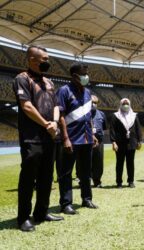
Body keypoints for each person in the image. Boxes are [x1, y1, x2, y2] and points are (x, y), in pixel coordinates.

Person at [12, 45, 63, 232]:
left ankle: (42, 212)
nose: (47, 62)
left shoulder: (50, 82)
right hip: (31, 137)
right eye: (44, 59)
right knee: (28, 178)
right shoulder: (21, 79)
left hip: (50, 136)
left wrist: (55, 123)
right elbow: (26, 106)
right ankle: (23, 218)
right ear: (32, 59)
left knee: (46, 177)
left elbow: (57, 105)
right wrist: (46, 124)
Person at [56, 62, 98, 215]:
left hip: (86, 138)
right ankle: (66, 203)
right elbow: (60, 116)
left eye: (87, 73)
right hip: (71, 139)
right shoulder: (64, 91)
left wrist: (92, 134)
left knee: (86, 172)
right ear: (74, 76)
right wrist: (65, 138)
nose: (87, 76)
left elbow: (89, 116)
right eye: (84, 73)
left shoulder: (87, 92)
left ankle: (86, 199)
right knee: (66, 173)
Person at [110, 98, 142, 188]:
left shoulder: (134, 115)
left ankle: (131, 181)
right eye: (124, 103)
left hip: (132, 142)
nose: (125, 105)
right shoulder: (115, 116)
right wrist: (113, 142)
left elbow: (138, 129)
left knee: (130, 163)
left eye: (127, 103)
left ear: (130, 104)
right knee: (119, 163)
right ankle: (119, 182)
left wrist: (139, 141)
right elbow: (112, 129)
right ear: (120, 104)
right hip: (120, 143)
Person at [91, 95, 107, 188]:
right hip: (86, 140)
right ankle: (84, 181)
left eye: (95, 103)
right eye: (92, 102)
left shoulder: (102, 114)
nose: (93, 104)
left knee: (98, 162)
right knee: (85, 162)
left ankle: (97, 181)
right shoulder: (85, 113)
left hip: (99, 141)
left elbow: (104, 127)